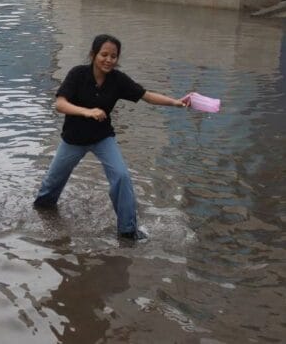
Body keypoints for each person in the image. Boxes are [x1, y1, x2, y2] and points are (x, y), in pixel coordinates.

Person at [34, 34, 188, 240]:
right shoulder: (78, 74)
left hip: (102, 138)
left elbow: (146, 96)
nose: (108, 60)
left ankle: (127, 231)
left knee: (122, 177)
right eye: (104, 55)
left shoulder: (117, 80)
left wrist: (176, 102)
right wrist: (87, 112)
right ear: (93, 54)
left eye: (113, 56)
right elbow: (60, 104)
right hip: (73, 139)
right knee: (50, 189)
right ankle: (42, 216)